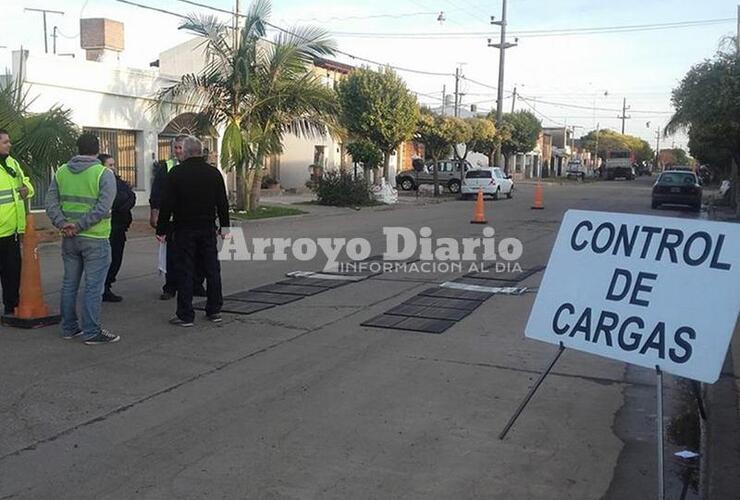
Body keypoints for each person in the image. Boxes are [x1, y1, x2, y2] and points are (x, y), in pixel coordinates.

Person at [46, 133, 119, 345]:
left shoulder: (61, 171)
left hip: (69, 238)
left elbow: (50, 203)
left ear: (78, 149)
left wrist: (63, 224)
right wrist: (79, 226)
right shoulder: (103, 173)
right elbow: (103, 208)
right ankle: (92, 332)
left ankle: (69, 328)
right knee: (93, 287)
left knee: (69, 284)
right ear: (97, 149)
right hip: (95, 237)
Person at [156, 135, 229, 327]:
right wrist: (225, 226)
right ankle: (214, 310)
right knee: (212, 269)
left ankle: (185, 315)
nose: (177, 153)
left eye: (180, 150)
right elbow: (222, 202)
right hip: (207, 228)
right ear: (201, 152)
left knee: (185, 270)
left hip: (184, 229)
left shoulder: (177, 173)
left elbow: (167, 204)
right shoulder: (214, 173)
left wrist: (161, 229)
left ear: (187, 152)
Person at [149, 135, 206, 299]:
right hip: (174, 220)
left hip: (196, 218)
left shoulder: (200, 167)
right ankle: (170, 287)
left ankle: (197, 284)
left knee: (199, 254)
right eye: (176, 148)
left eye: (181, 148)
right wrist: (155, 213)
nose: (178, 151)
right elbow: (157, 192)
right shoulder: (167, 167)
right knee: (172, 255)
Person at [0, 129, 35, 316]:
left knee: (12, 273)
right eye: (5, 142)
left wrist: (26, 189)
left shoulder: (12, 163)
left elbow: (27, 183)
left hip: (12, 231)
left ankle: (10, 307)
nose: (9, 144)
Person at [99, 154, 136, 302]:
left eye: (114, 165)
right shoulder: (101, 181)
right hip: (108, 226)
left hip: (120, 225)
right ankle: (103, 287)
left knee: (116, 258)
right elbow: (113, 200)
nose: (113, 168)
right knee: (107, 259)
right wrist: (122, 203)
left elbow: (131, 196)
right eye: (110, 165)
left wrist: (123, 204)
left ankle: (108, 284)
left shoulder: (117, 181)